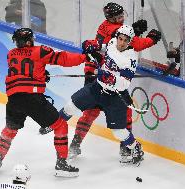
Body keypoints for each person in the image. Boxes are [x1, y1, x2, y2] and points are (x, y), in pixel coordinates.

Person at [0, 28, 92, 177]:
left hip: (13, 99)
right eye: (31, 39)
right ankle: (61, 165)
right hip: (31, 98)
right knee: (60, 125)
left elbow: (23, 71)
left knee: (11, 129)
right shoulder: (40, 51)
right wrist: (85, 57)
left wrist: (40, 74)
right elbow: (64, 59)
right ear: (28, 41)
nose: (33, 41)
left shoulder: (10, 54)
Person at [69, 2, 161, 162]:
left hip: (97, 71)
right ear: (110, 18)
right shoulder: (114, 30)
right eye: (118, 16)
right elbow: (134, 44)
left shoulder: (107, 27)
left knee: (92, 111)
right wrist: (151, 39)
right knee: (112, 112)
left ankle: (75, 146)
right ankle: (125, 149)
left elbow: (121, 38)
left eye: (122, 14)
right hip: (101, 74)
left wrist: (134, 29)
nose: (122, 17)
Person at [40, 25, 145, 166]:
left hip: (114, 96)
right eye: (120, 38)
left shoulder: (130, 59)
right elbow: (100, 46)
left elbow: (124, 84)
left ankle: (135, 147)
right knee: (71, 106)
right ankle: (53, 123)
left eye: (125, 40)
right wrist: (90, 45)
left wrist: (111, 78)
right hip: (97, 88)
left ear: (130, 42)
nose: (121, 42)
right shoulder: (112, 43)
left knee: (119, 132)